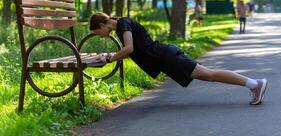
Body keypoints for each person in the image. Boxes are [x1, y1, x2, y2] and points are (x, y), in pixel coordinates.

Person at [89, 12, 268, 105]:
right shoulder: (122, 24)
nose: (100, 36)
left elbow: (129, 49)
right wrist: (112, 56)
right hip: (165, 57)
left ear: (102, 24)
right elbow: (135, 50)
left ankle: (254, 84)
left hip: (167, 57)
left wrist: (112, 58)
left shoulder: (122, 24)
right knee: (208, 74)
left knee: (209, 74)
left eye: (98, 32)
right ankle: (254, 84)